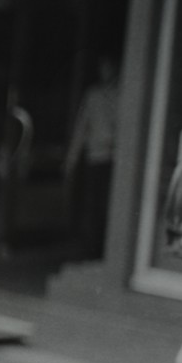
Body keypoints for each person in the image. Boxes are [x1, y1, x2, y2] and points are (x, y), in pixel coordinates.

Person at [65, 55, 119, 259]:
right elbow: (82, 127)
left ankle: (105, 250)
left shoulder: (122, 94)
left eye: (109, 67)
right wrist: (71, 158)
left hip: (113, 158)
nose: (105, 72)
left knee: (107, 205)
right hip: (94, 157)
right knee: (92, 205)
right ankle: (90, 248)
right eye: (102, 68)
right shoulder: (92, 95)